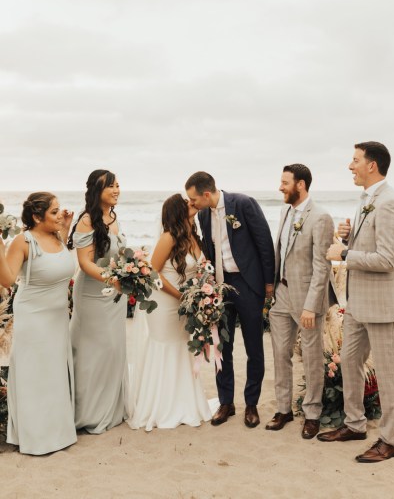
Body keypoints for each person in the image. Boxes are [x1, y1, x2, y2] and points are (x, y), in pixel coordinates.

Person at [318, 142, 394, 463]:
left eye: (355, 161)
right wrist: (349, 237)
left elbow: (388, 259)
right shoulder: (365, 200)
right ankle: (355, 424)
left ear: (372, 165)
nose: (350, 166)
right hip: (357, 304)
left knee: (390, 372)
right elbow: (372, 245)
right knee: (350, 361)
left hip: (381, 305)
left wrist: (346, 254)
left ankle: (392, 439)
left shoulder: (390, 202)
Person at [185, 172, 275, 428]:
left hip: (248, 284)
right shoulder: (202, 214)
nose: (192, 204)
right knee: (220, 346)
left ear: (205, 194)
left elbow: (264, 243)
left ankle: (251, 404)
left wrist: (268, 282)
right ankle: (226, 403)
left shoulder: (243, 203)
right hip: (219, 288)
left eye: (193, 199)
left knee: (254, 346)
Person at [126, 193, 211, 431]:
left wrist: (200, 295)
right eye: (186, 202)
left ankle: (184, 402)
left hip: (186, 302)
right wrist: (180, 296)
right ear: (177, 211)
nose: (191, 203)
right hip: (165, 303)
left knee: (183, 346)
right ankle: (161, 406)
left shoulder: (193, 236)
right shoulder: (168, 237)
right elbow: (153, 273)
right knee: (165, 346)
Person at [0, 192, 77, 455]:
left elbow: (56, 263)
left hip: (57, 318)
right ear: (36, 216)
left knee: (54, 373)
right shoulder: (24, 241)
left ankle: (57, 430)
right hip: (34, 318)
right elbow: (8, 280)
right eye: (54, 212)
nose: (60, 214)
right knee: (35, 375)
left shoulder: (56, 236)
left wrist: (63, 228)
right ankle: (36, 437)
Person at [266, 164, 334, 439]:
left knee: (311, 357)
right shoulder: (284, 211)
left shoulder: (320, 218)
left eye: (285, 182)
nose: (280, 187)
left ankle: (313, 413)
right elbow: (279, 253)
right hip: (281, 295)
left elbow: (322, 267)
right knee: (280, 354)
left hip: (306, 299)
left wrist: (310, 305)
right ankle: (283, 409)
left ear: (301, 184)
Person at [68, 169, 127, 434]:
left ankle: (110, 409)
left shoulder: (113, 217)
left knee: (113, 349)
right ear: (97, 191)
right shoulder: (87, 220)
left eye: (117, 185)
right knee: (94, 350)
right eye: (110, 187)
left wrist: (129, 272)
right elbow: (84, 263)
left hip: (114, 294)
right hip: (93, 294)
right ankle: (87, 413)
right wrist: (113, 280)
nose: (116, 190)